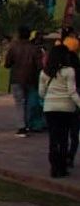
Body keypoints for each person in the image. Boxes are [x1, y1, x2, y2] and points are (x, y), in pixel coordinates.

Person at [38, 44, 79, 178]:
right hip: (66, 108)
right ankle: (62, 166)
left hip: (50, 108)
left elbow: (41, 93)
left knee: (53, 137)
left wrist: (51, 98)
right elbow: (72, 92)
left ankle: (54, 166)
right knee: (63, 138)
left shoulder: (44, 72)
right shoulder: (69, 71)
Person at [5, 27, 45, 137]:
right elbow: (39, 66)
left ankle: (21, 126)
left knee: (19, 103)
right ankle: (27, 124)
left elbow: (7, 64)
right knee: (29, 103)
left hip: (16, 78)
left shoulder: (13, 47)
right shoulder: (34, 48)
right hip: (31, 79)